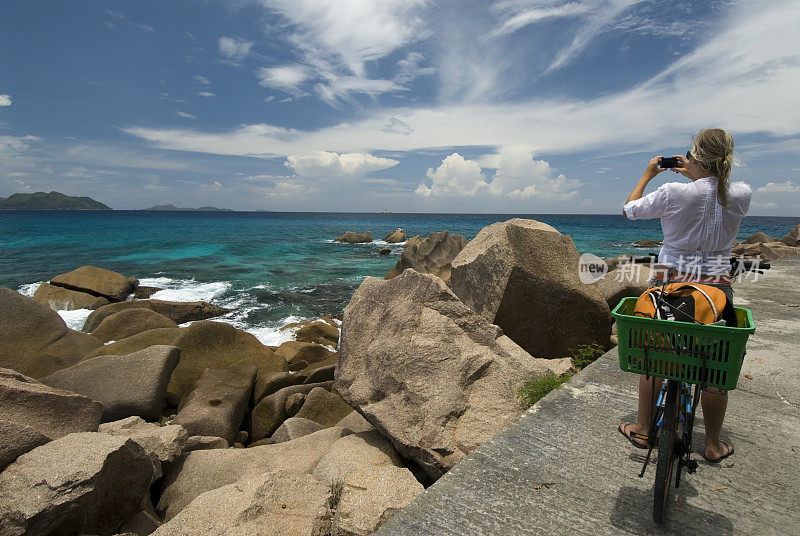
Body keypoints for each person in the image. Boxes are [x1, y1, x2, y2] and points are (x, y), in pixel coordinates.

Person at [617, 127, 752, 463]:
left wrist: (649, 174)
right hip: (715, 293)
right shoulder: (741, 193)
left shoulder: (674, 191)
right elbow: (713, 193)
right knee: (715, 367)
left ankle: (644, 428)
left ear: (694, 156)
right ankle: (713, 445)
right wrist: (697, 172)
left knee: (655, 357)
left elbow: (629, 209)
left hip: (668, 287)